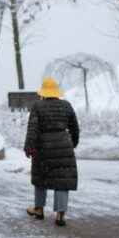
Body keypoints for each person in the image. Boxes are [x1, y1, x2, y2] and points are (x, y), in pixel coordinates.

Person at [24, 77, 80, 227]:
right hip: (64, 143)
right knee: (62, 180)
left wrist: (29, 147)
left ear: (43, 92)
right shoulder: (66, 105)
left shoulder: (37, 106)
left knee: (41, 178)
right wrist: (72, 143)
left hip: (43, 146)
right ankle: (60, 215)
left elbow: (33, 128)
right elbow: (74, 127)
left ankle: (39, 210)